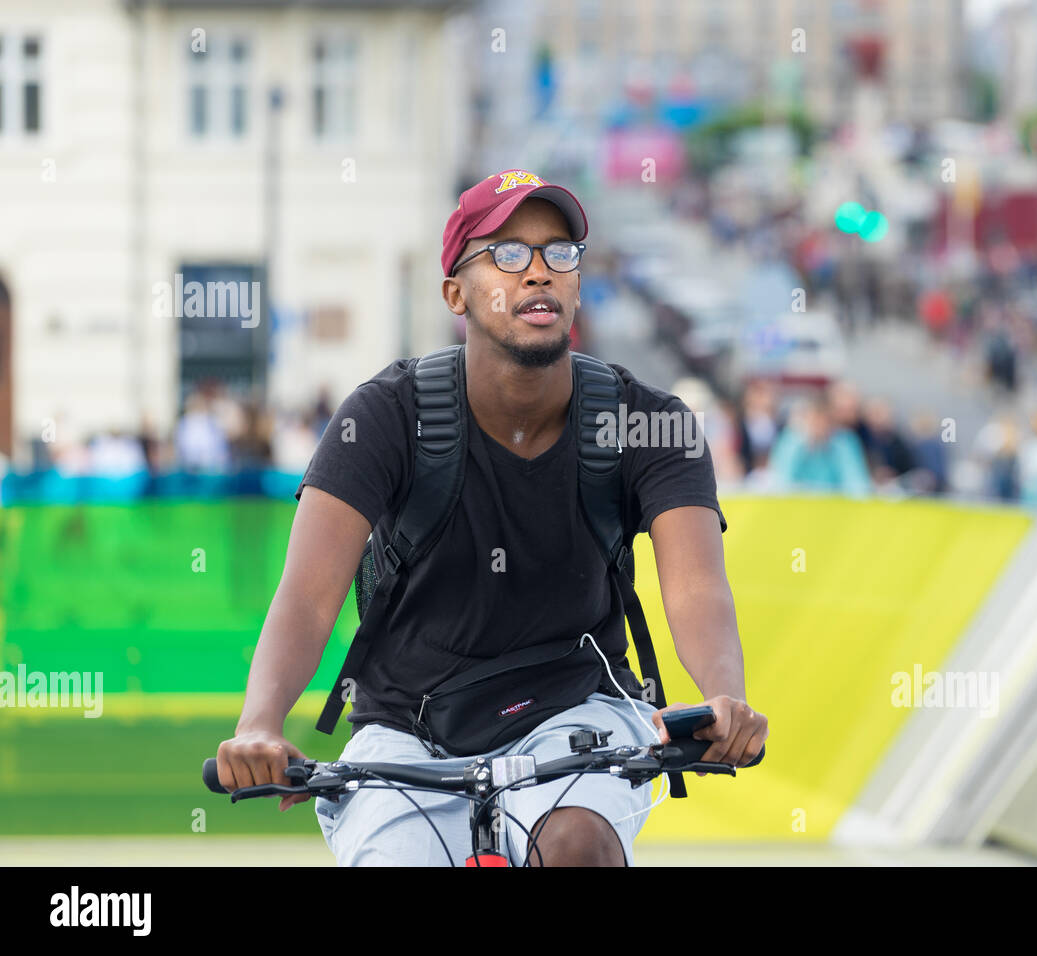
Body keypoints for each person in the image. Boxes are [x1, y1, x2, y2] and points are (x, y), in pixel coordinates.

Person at [214, 169, 767, 867]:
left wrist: (725, 696)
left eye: (559, 252)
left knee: (578, 847)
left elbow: (695, 587)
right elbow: (307, 594)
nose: (538, 272)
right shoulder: (382, 416)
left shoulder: (650, 422)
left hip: (576, 713)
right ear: (456, 293)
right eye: (507, 253)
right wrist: (259, 725)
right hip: (407, 729)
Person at [767, 392, 872, 496]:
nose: (820, 426)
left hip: (836, 506)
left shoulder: (845, 442)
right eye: (815, 420)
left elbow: (857, 483)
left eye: (824, 421)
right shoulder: (791, 441)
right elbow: (781, 482)